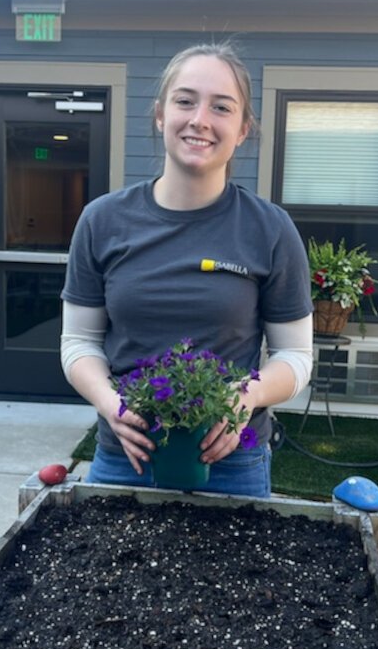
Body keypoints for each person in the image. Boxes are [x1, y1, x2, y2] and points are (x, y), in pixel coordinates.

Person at [60, 42, 313, 498]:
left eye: (221, 107)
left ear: (242, 130)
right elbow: (79, 342)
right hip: (125, 456)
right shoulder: (102, 220)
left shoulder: (270, 228)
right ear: (160, 115)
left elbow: (296, 357)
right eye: (185, 101)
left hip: (231, 463)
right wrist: (109, 402)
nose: (200, 119)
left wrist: (245, 398)